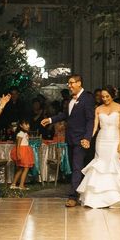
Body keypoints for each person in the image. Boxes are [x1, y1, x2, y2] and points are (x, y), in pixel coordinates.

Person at [42, 74, 95, 207]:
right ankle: (82, 192)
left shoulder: (87, 98)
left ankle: (73, 197)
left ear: (79, 83)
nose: (69, 86)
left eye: (71, 83)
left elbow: (90, 120)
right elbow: (66, 115)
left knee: (77, 168)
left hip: (81, 139)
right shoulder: (71, 100)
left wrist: (87, 138)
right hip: (70, 139)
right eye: (68, 83)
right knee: (75, 168)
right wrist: (50, 120)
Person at [9, 118, 35, 190]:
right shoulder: (20, 133)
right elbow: (18, 145)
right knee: (25, 168)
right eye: (25, 124)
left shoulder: (25, 133)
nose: (27, 126)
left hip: (26, 150)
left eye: (28, 124)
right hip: (22, 151)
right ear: (21, 125)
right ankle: (21, 185)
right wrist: (18, 153)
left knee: (20, 168)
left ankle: (13, 184)